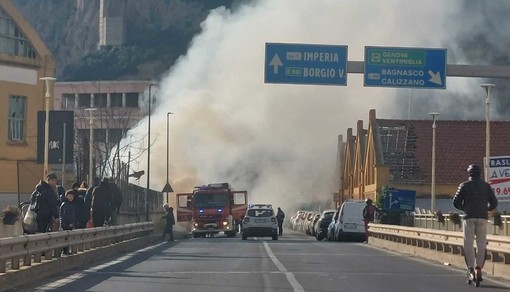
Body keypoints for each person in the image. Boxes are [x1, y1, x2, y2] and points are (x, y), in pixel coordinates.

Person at [453, 164, 498, 283]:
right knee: (481, 244)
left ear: (469, 173)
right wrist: (486, 209)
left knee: (468, 244)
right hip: (482, 217)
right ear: (480, 173)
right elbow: (494, 203)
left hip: (469, 217)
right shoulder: (486, 186)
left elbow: (455, 202)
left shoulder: (464, 186)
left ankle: (470, 268)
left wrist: (465, 208)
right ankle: (479, 267)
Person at [60, 190, 75, 255]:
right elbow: (66, 215)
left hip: (65, 223)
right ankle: (65, 251)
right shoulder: (66, 204)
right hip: (66, 223)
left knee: (67, 237)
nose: (71, 197)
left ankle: (66, 250)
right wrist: (70, 222)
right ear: (66, 196)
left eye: (72, 196)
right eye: (69, 196)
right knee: (66, 237)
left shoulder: (68, 204)